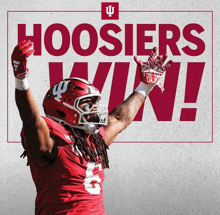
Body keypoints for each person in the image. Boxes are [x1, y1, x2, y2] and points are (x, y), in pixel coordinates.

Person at [11, 40, 172, 215]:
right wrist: (21, 80)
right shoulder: (51, 142)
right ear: (64, 108)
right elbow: (31, 119)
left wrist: (145, 86)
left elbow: (119, 118)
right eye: (88, 104)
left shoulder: (93, 141)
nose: (95, 110)